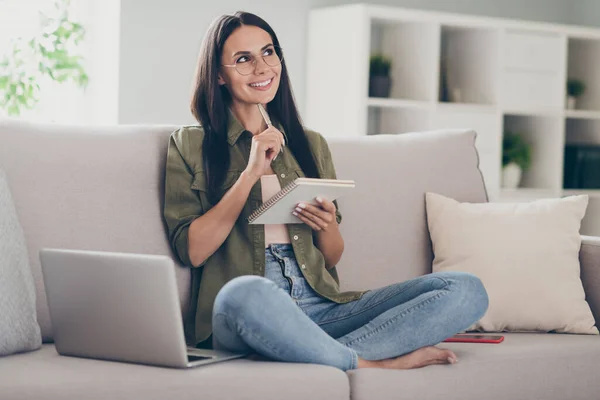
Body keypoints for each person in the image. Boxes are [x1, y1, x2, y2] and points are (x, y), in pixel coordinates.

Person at [163, 11, 489, 371]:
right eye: (243, 59)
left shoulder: (309, 144)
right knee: (243, 293)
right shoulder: (191, 144)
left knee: (465, 289)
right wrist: (250, 173)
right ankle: (371, 364)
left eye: (269, 52)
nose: (262, 67)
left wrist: (327, 225)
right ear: (219, 75)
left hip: (322, 307)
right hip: (252, 307)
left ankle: (309, 351)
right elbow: (193, 251)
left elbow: (331, 257)